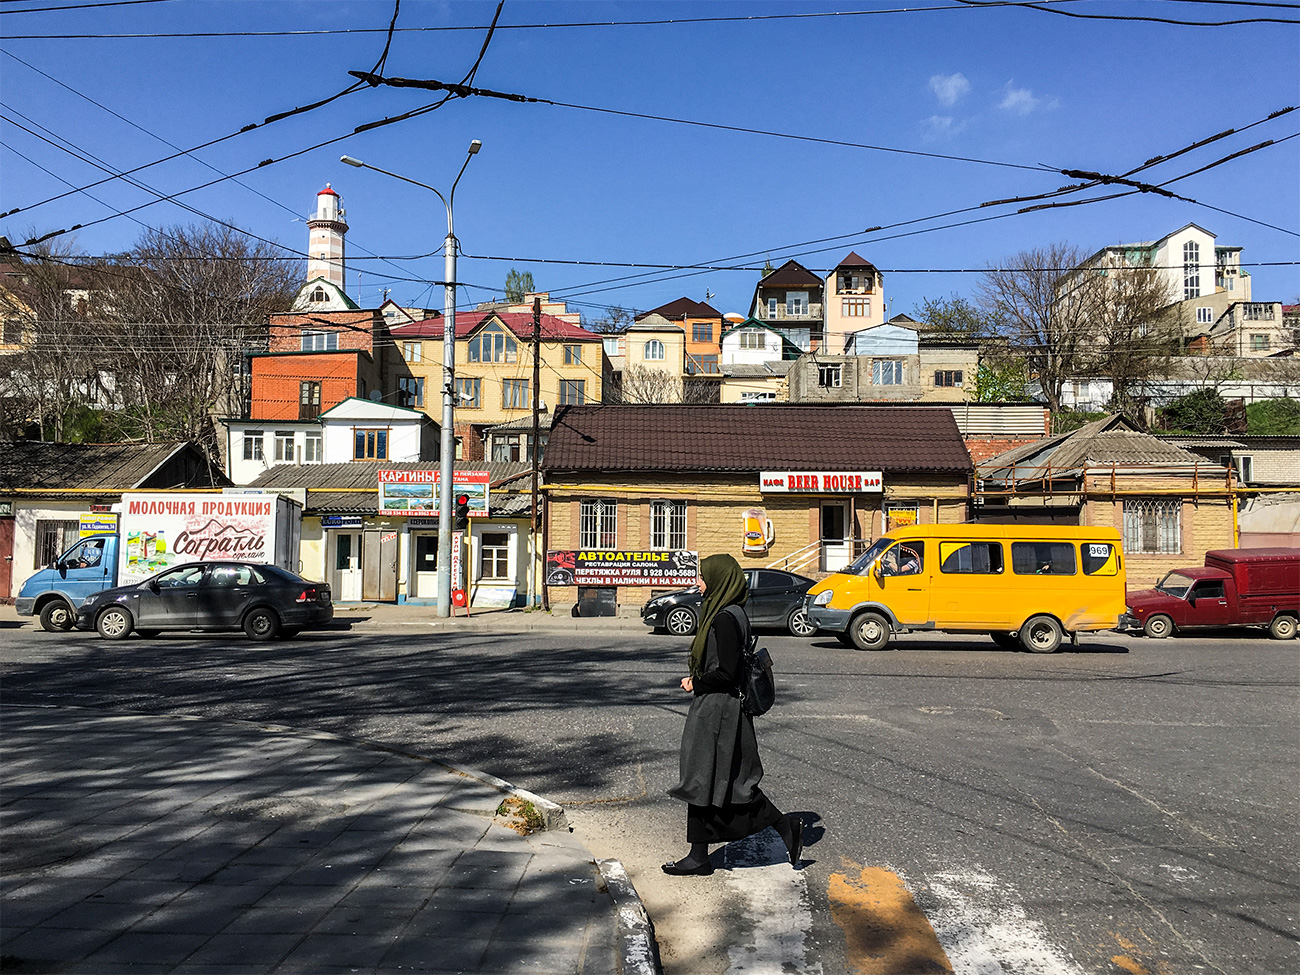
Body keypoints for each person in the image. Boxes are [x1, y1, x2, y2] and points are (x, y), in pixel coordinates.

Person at [662, 553, 802, 877]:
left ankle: (783, 826)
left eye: (702, 577)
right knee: (710, 781)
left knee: (708, 778)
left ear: (718, 579)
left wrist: (695, 681)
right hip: (721, 708)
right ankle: (699, 855)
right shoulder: (734, 612)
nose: (697, 583)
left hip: (717, 710)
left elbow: (727, 672)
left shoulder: (724, 618)